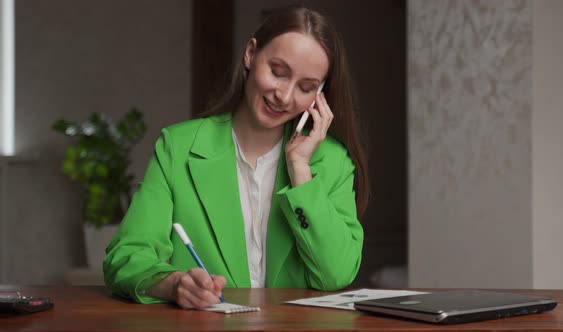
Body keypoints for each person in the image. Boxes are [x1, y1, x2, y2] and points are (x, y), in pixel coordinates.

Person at [103, 5, 369, 309]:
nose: (284, 95)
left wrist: (300, 171)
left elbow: (336, 275)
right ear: (250, 54)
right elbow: (124, 259)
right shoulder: (178, 146)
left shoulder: (333, 162)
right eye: (278, 72)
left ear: (319, 95)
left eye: (306, 87)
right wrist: (175, 284)